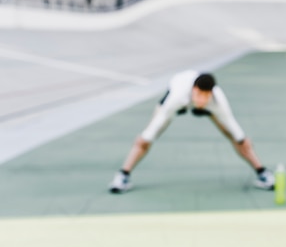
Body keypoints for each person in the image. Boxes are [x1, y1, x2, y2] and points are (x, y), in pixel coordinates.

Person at [109, 70, 275, 193]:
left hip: (209, 108)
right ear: (194, 90)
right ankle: (123, 175)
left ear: (211, 93)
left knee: (237, 138)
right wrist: (147, 137)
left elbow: (236, 130)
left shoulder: (217, 100)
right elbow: (152, 131)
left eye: (206, 96)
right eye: (199, 95)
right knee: (147, 137)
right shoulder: (177, 97)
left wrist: (240, 139)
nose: (202, 99)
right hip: (175, 102)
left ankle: (262, 173)